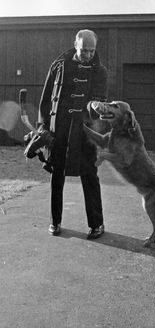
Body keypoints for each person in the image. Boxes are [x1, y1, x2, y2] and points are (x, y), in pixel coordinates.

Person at [38, 29, 108, 239]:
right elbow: (46, 98)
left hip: (84, 132)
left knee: (89, 175)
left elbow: (100, 101)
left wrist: (96, 106)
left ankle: (97, 224)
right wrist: (42, 127)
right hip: (58, 129)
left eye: (91, 51)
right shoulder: (58, 66)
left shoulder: (100, 72)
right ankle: (55, 221)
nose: (88, 55)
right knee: (56, 174)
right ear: (75, 46)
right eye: (84, 50)